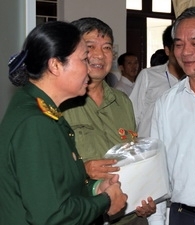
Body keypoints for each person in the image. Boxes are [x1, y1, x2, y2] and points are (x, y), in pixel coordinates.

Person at [0, 21, 127, 225]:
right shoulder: (36, 122)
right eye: (84, 59)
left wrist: (95, 189)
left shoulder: (38, 106)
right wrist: (105, 200)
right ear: (56, 65)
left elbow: (56, 188)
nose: (89, 68)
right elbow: (52, 216)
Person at [60, 17, 155, 225]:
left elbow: (133, 158)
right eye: (90, 46)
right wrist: (82, 170)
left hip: (130, 216)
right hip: (84, 216)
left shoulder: (123, 102)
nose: (99, 55)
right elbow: (45, 172)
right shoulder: (60, 103)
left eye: (107, 47)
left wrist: (146, 195)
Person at [150, 7, 195, 225]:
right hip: (180, 215)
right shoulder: (166, 103)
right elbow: (158, 170)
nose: (185, 52)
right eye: (179, 44)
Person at [129, 24, 185, 138]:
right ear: (167, 50)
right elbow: (133, 115)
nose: (184, 53)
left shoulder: (193, 81)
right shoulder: (148, 76)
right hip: (149, 148)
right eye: (178, 46)